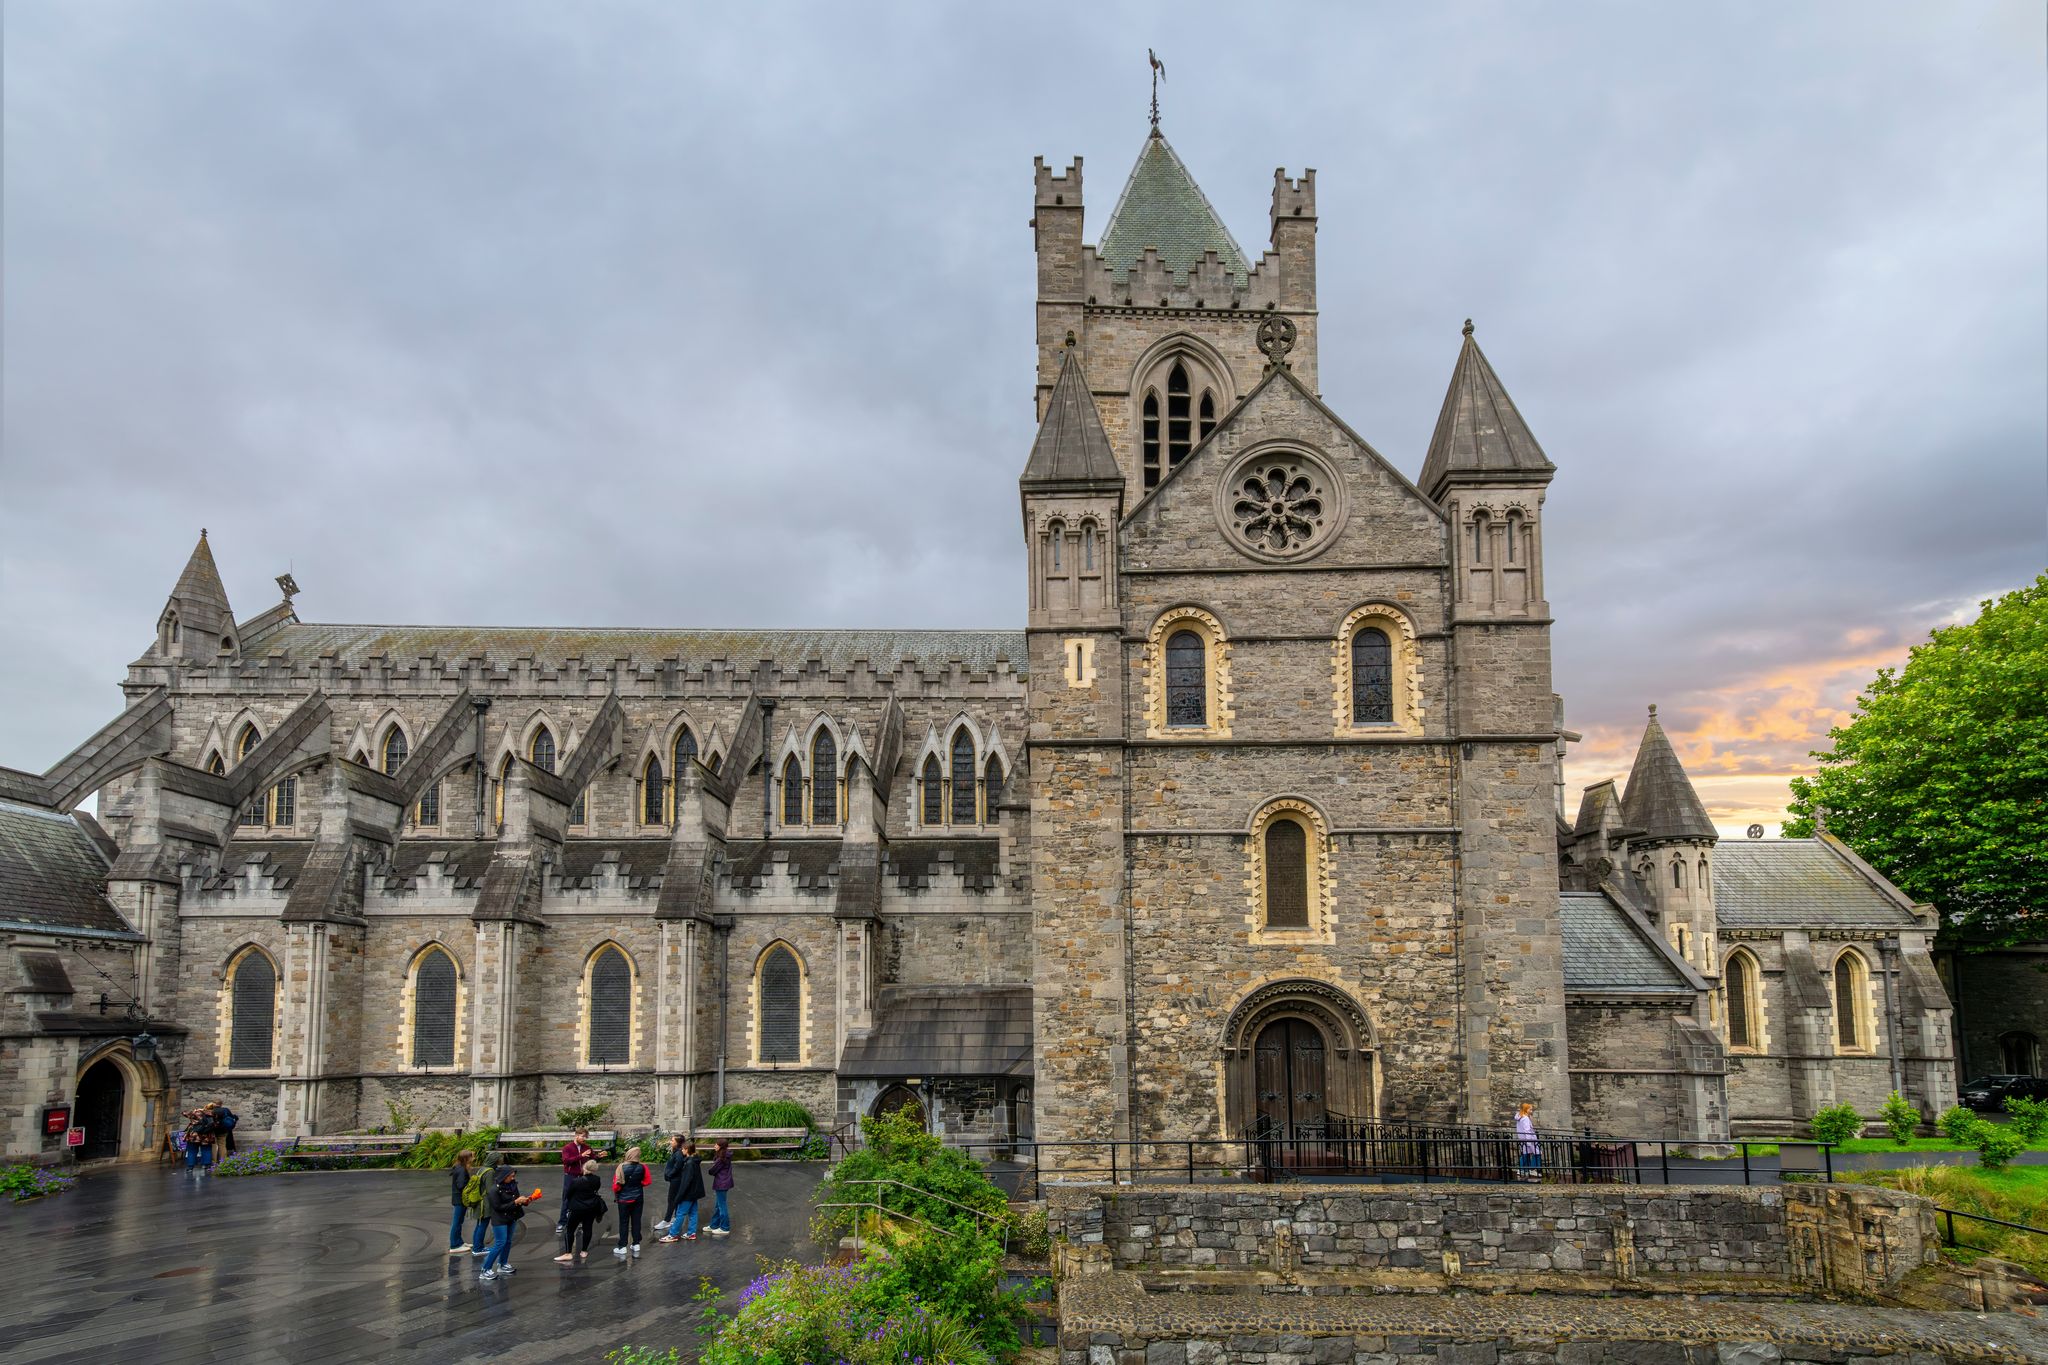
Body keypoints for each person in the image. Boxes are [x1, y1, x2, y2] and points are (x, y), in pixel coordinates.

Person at [480, 1165, 537, 1282]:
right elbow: (498, 1207)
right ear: (503, 1176)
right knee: (500, 1243)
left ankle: (503, 1264)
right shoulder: (493, 1190)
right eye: (510, 1176)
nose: (512, 1178)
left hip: (512, 1217)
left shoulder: (512, 1185)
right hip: (499, 1219)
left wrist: (526, 1200)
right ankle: (485, 1269)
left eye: (513, 1176)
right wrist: (516, 1202)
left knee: (508, 1241)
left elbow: (516, 1200)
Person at [555, 1157, 605, 1263]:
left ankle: (568, 1253)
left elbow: (568, 1194)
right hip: (591, 1208)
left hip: (577, 1208)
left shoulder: (576, 1181)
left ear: (584, 1168)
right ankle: (584, 1251)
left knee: (570, 1230)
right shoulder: (597, 1179)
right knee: (588, 1228)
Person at [610, 1146, 653, 1259]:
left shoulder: (621, 1167)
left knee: (624, 1222)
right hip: (638, 1197)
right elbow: (648, 1181)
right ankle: (636, 1243)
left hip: (624, 1199)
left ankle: (622, 1246)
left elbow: (616, 1187)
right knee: (636, 1220)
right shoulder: (643, 1167)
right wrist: (638, 1185)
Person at [658, 1141, 704, 1243]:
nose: (681, 1150)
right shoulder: (695, 1161)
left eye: (683, 1149)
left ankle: (673, 1234)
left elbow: (686, 1182)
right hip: (694, 1193)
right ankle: (691, 1233)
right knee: (693, 1212)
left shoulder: (689, 1163)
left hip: (688, 1194)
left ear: (687, 1150)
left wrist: (679, 1196)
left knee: (680, 1213)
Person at [557, 1127, 596, 1235]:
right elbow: (566, 1161)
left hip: (583, 1176)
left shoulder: (586, 1147)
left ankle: (581, 1221)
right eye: (582, 1136)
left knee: (582, 1198)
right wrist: (580, 1156)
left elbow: (593, 1158)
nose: (584, 1139)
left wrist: (599, 1156)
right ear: (576, 1135)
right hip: (570, 1175)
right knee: (567, 1198)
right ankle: (562, 1222)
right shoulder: (567, 1148)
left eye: (585, 1137)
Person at [447, 1149, 479, 1255]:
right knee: (457, 1222)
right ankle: (454, 1245)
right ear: (466, 1158)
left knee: (459, 1222)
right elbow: (461, 1185)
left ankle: (459, 1242)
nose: (473, 1159)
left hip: (458, 1199)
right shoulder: (461, 1170)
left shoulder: (459, 1167)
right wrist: (470, 1187)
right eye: (472, 1157)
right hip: (459, 1199)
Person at [706, 1138, 733, 1237]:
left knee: (722, 1206)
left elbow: (712, 1171)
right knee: (718, 1206)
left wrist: (711, 1169)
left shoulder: (721, 1158)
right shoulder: (725, 1155)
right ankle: (714, 1225)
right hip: (724, 1182)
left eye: (716, 1145)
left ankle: (725, 1227)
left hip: (721, 1183)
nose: (714, 1146)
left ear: (720, 1146)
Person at [1514, 1102, 1541, 1182]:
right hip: (1529, 1139)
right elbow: (1527, 1130)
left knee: (1525, 1154)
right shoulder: (1525, 1118)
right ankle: (1533, 1169)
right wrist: (1529, 1141)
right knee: (1537, 1153)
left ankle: (1523, 1169)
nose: (1531, 1111)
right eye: (1530, 1109)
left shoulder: (1520, 1117)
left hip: (1523, 1139)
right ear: (1526, 1109)